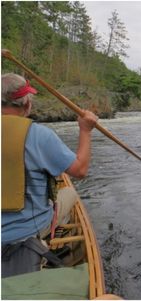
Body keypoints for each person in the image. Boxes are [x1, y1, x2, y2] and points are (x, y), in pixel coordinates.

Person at [1, 73, 98, 277]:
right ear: (27, 104)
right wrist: (85, 130)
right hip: (26, 232)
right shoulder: (39, 135)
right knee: (69, 193)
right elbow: (80, 170)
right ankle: (49, 239)